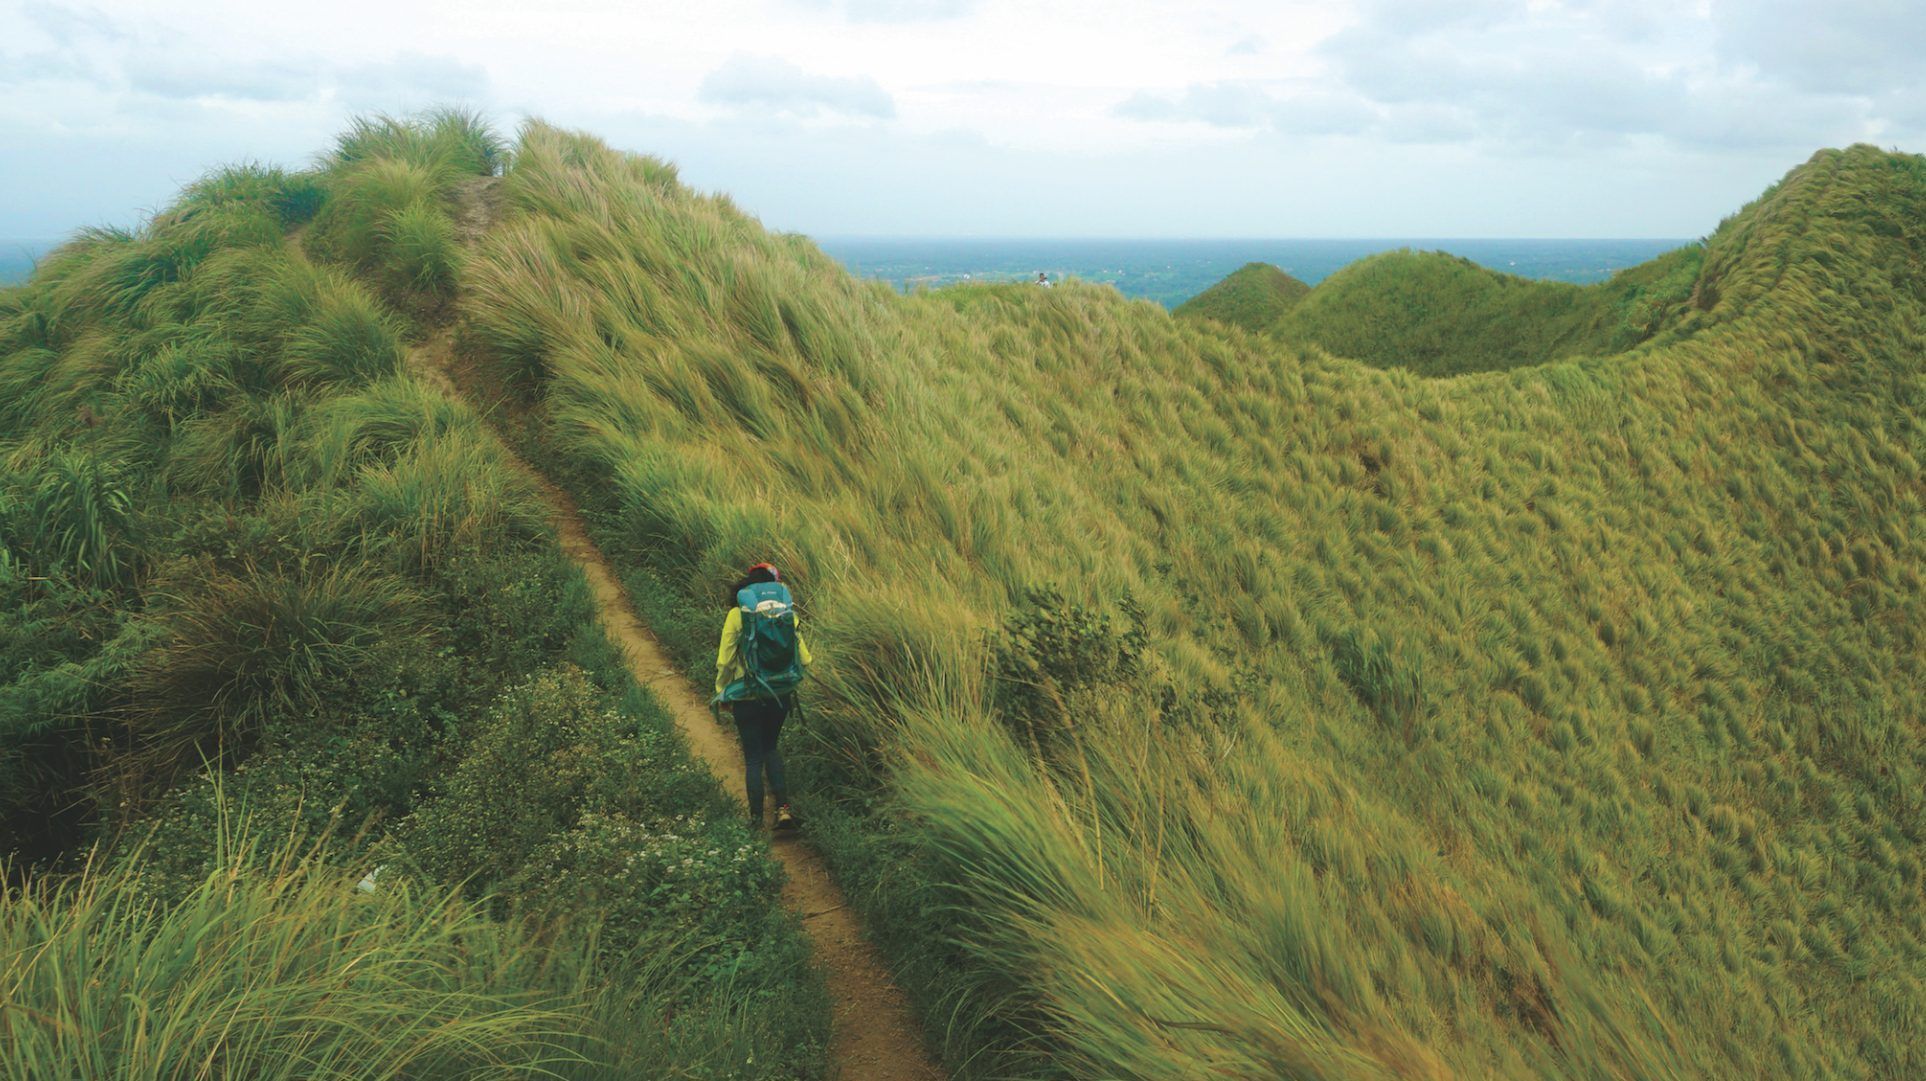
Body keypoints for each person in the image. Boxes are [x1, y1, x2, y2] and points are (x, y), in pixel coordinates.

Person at [714, 562, 813, 830]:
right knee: (771, 748)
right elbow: (805, 658)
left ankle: (756, 821)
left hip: (746, 696)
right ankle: (783, 811)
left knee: (753, 757)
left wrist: (722, 691)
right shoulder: (785, 612)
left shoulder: (737, 614)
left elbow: (724, 661)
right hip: (779, 693)